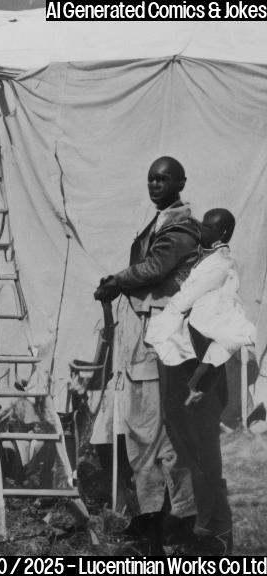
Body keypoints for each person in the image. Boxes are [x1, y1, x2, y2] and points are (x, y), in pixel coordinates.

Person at [94, 156, 201, 555]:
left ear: (180, 183)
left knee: (155, 434)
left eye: (163, 179)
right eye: (151, 178)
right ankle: (157, 523)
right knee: (146, 432)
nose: (155, 184)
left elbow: (156, 267)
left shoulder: (181, 227)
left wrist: (117, 281)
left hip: (160, 339)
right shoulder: (161, 221)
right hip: (148, 335)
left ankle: (171, 527)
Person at [144, 208, 251, 554]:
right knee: (190, 454)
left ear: (220, 235)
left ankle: (217, 537)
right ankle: (201, 531)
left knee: (206, 461)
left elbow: (227, 336)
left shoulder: (222, 270)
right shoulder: (207, 265)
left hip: (203, 378)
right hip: (189, 372)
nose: (200, 229)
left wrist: (200, 382)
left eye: (207, 225)